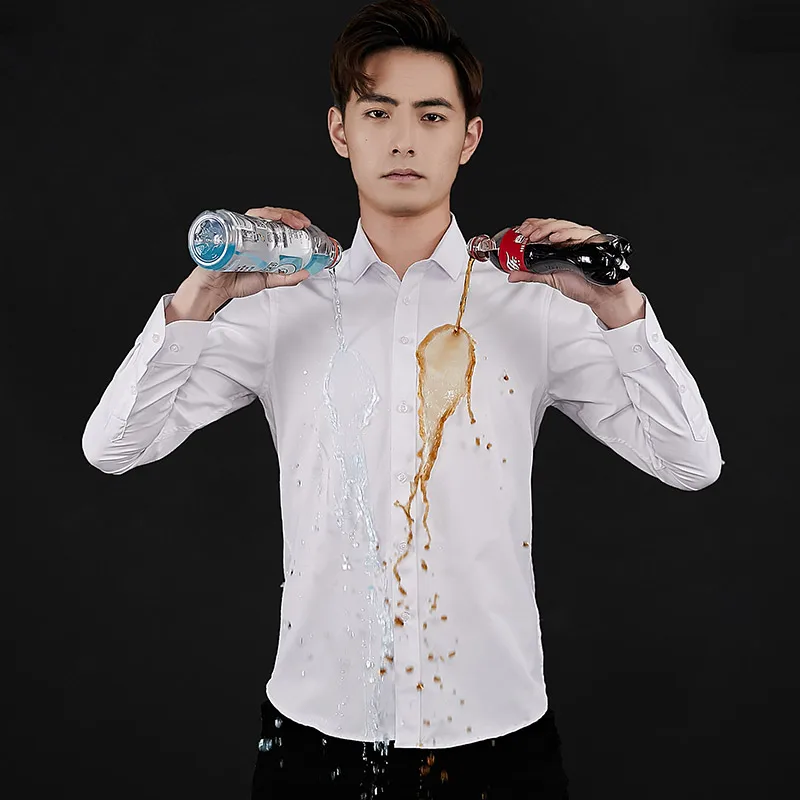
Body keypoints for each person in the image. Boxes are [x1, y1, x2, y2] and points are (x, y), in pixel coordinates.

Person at [82, 0, 723, 797]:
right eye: (378, 112)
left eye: (432, 115)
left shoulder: (535, 303)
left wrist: (620, 307)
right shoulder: (280, 302)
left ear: (469, 138)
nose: (404, 139)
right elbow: (112, 448)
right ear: (340, 130)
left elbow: (690, 463)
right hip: (315, 743)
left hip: (499, 742)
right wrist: (201, 295)